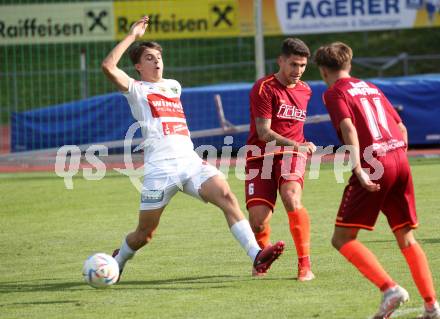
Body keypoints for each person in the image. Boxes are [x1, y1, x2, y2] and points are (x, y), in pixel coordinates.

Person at [101, 16, 285, 280]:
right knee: (144, 234)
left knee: (227, 197)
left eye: (158, 57)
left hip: (190, 162)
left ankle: (257, 255)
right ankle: (119, 260)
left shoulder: (173, 86)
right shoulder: (137, 90)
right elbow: (108, 66)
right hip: (160, 170)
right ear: (138, 67)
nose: (157, 61)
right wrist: (132, 36)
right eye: (149, 58)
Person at [314, 41, 439, 319]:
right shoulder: (370, 86)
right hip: (399, 158)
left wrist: (358, 167)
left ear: (323, 71)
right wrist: (398, 158)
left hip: (375, 161)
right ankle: (431, 306)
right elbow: (402, 126)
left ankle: (389, 288)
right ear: (349, 64)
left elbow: (348, 127)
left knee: (342, 238)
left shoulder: (334, 93)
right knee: (407, 237)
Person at [244, 38, 316, 280]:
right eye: (294, 64)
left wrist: (298, 147)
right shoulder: (264, 88)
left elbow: (294, 130)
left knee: (291, 197)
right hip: (260, 156)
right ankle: (263, 259)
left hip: (291, 154)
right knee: (257, 222)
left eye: (303, 65)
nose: (298, 71)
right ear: (281, 61)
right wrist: (298, 144)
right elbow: (264, 133)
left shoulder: (306, 90)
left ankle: (305, 265)